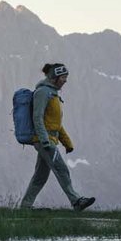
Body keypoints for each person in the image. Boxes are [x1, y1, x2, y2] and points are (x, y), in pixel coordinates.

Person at [16, 62, 95, 211]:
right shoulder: (42, 93)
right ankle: (76, 201)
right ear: (55, 77)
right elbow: (37, 117)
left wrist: (67, 143)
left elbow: (56, 124)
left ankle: (25, 206)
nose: (65, 80)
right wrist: (44, 140)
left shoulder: (53, 94)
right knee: (62, 169)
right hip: (44, 141)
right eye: (63, 77)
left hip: (48, 140)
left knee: (40, 177)